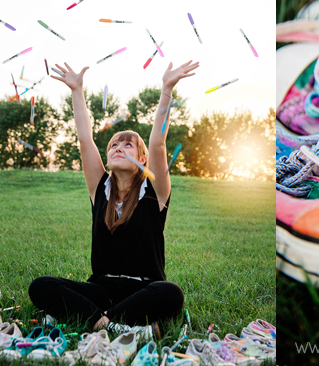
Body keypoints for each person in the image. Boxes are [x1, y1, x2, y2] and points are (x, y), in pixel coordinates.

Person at [29, 60, 199, 338]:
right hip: (101, 290)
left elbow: (157, 142)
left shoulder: (153, 192)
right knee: (41, 286)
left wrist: (167, 88)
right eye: (114, 145)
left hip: (144, 289)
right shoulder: (101, 189)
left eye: (127, 144)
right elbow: (85, 139)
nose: (118, 147)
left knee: (171, 292)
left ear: (142, 160)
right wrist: (77, 90)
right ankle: (114, 324)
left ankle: (91, 318)